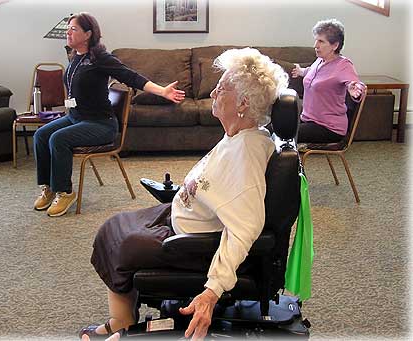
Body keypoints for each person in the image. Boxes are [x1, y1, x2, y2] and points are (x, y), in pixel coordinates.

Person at [80, 47, 289, 340]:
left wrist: (212, 291)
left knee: (124, 243)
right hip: (185, 216)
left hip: (191, 244)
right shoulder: (239, 135)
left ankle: (121, 321)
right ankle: (122, 316)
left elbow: (246, 228)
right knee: (114, 225)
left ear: (243, 103)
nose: (214, 91)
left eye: (223, 87)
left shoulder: (246, 153)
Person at [33, 12, 185, 217]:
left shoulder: (101, 58)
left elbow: (130, 76)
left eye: (73, 29)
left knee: (58, 139)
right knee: (40, 135)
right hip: (76, 117)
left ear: (87, 34)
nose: (68, 32)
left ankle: (65, 192)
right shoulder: (75, 57)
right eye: (68, 28)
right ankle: (49, 187)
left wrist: (162, 90)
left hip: (100, 124)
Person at [291, 18, 365, 143]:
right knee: (275, 127)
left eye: (321, 41)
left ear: (335, 45)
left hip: (329, 127)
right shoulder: (320, 60)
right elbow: (313, 73)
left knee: (284, 134)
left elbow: (356, 85)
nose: (315, 45)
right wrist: (301, 71)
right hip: (309, 119)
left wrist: (356, 89)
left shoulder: (343, 65)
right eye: (316, 40)